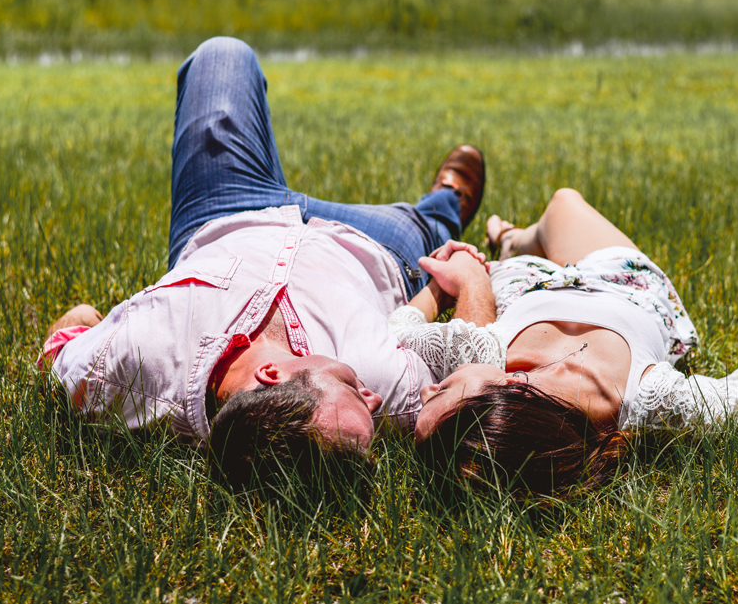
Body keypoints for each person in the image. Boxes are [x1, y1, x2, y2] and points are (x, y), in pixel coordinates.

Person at [38, 36, 487, 490]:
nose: (373, 399)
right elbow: (475, 374)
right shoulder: (391, 394)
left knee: (222, 56)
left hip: (228, 212)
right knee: (426, 225)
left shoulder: (134, 371)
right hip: (376, 245)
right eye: (371, 408)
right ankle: (445, 203)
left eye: (355, 393)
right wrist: (467, 281)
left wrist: (87, 321)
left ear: (270, 376)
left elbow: (60, 350)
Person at [395, 188, 738, 495]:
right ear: (514, 397)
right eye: (438, 394)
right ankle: (514, 236)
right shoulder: (649, 401)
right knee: (563, 204)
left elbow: (398, 332)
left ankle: (513, 241)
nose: (425, 391)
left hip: (520, 281)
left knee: (546, 223)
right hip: (622, 282)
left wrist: (445, 287)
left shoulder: (480, 359)